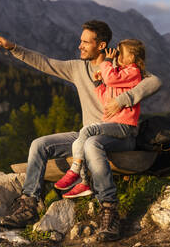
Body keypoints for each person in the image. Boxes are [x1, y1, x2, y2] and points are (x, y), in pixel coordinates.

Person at [0, 20, 161, 241]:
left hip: (120, 135)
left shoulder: (119, 68)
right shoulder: (77, 68)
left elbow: (155, 81)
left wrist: (123, 99)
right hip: (86, 132)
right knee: (39, 145)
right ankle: (29, 204)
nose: (79, 46)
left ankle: (109, 209)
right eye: (80, 41)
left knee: (92, 143)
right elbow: (45, 63)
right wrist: (13, 48)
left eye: (85, 42)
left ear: (101, 45)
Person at [55, 39, 146, 199]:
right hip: (112, 123)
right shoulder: (120, 75)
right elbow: (105, 101)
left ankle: (75, 170)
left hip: (124, 125)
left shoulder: (133, 72)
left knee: (88, 130)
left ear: (131, 57)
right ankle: (84, 183)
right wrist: (98, 84)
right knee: (79, 143)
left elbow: (111, 78)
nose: (115, 55)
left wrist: (107, 62)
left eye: (119, 52)